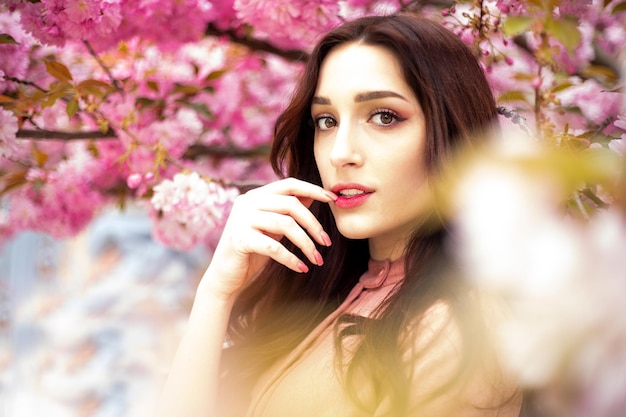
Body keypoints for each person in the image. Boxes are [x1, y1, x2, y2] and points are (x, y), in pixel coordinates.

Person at [157, 13, 523, 417]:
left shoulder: (453, 327)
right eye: (326, 121)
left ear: (452, 133)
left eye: (384, 116)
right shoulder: (332, 293)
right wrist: (217, 291)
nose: (340, 153)